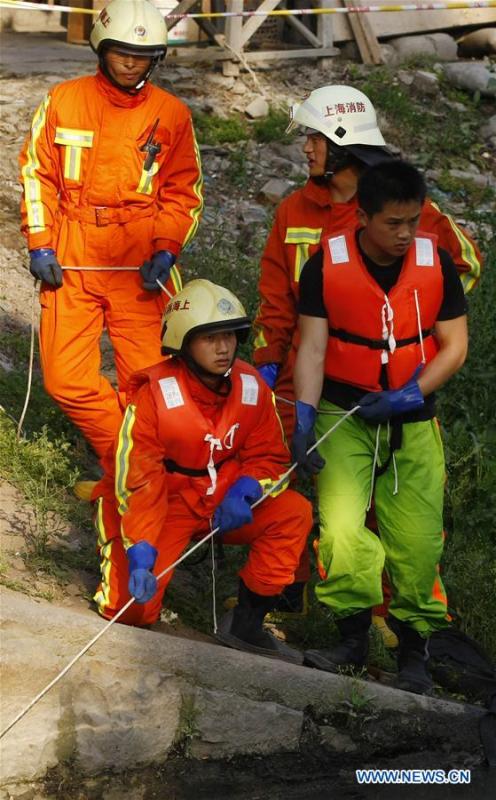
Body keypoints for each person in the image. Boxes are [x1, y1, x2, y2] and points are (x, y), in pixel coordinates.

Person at [251, 84, 480, 624]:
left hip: (395, 381)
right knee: (315, 494)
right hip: (306, 374)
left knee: (398, 507)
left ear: (340, 144)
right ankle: (299, 593)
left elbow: (463, 264)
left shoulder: (397, 207)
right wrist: (265, 359)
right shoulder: (294, 211)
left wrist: (409, 325)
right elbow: (278, 294)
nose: (306, 150)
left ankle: (399, 617)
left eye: (313, 138)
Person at [291, 160, 468, 694]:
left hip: (412, 418)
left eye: (413, 221)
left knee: (416, 542)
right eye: (393, 223)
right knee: (341, 529)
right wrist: (304, 414)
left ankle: (413, 655)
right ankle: (350, 642)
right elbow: (314, 348)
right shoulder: (325, 266)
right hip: (343, 413)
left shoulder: (435, 263)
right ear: (362, 216)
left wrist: (410, 393)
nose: (405, 234)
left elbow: (455, 346)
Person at [19, 0, 203, 470]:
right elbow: (37, 174)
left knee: (151, 381)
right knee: (65, 380)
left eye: (141, 56)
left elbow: (183, 193)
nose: (130, 63)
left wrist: (166, 250)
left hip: (138, 260)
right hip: (70, 253)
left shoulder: (172, 115)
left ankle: (142, 481)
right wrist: (40, 242)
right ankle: (131, 460)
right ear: (102, 48)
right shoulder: (63, 100)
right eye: (122, 52)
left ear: (155, 59)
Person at [92, 279, 313, 664]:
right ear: (183, 341)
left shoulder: (251, 387)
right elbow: (139, 478)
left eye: (229, 335)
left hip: (223, 500)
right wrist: (141, 549)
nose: (224, 347)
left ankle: (246, 621)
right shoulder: (154, 395)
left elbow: (271, 455)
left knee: (293, 512)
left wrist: (246, 490)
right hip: (165, 503)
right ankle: (120, 549)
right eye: (210, 338)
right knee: (132, 612)